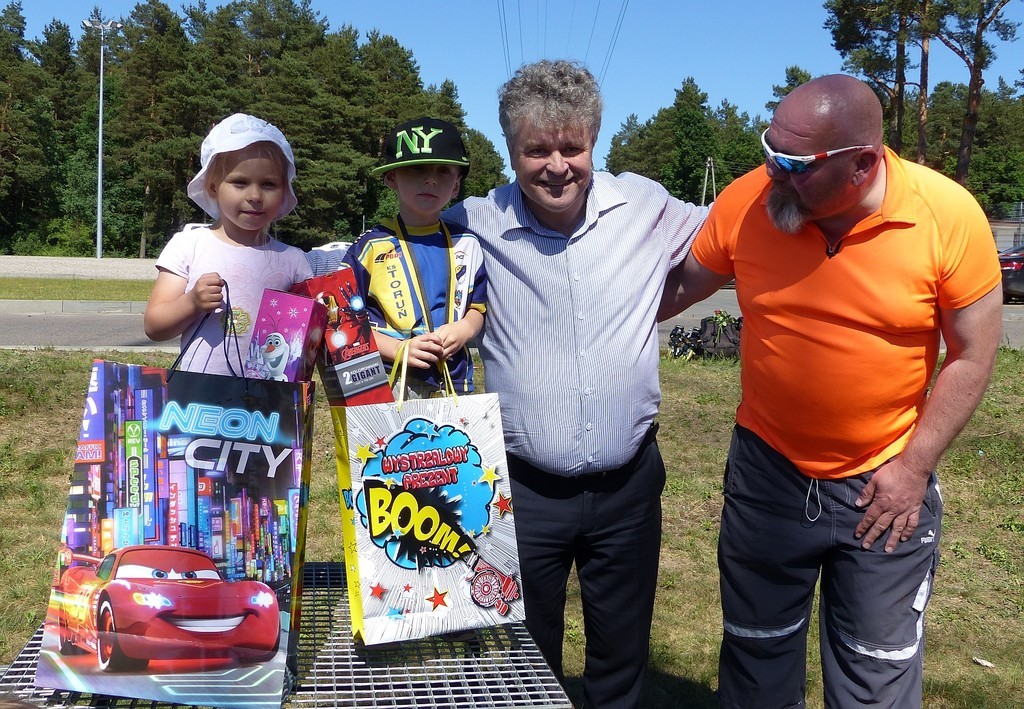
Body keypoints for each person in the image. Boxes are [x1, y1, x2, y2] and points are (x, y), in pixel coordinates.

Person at [659, 74, 1002, 708]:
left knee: (875, 674)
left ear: (861, 163)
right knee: (757, 656)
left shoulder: (946, 216)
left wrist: (913, 469)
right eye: (768, 151)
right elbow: (675, 291)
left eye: (793, 164)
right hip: (767, 476)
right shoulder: (748, 201)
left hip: (883, 484)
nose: (772, 173)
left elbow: (974, 355)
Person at [443, 60, 709, 708]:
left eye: (572, 146)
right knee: (521, 660)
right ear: (511, 149)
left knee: (621, 655)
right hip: (520, 488)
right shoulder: (470, 222)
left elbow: (730, 236)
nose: (557, 166)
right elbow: (381, 261)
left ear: (595, 140)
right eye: (537, 149)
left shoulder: (645, 205)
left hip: (628, 486)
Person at [324, 116, 486, 398]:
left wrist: (464, 329)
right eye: (416, 168)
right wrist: (398, 348)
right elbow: (340, 319)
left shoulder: (468, 244)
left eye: (443, 171)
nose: (431, 179)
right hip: (390, 380)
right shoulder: (369, 247)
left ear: (456, 185)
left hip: (454, 381)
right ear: (391, 178)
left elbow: (478, 307)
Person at [144, 113, 312, 374]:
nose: (255, 195)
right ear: (213, 188)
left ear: (284, 192)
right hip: (200, 394)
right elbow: (154, 326)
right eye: (240, 182)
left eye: (269, 184)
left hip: (266, 397)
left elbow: (309, 338)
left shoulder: (294, 261)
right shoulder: (190, 244)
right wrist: (191, 303)